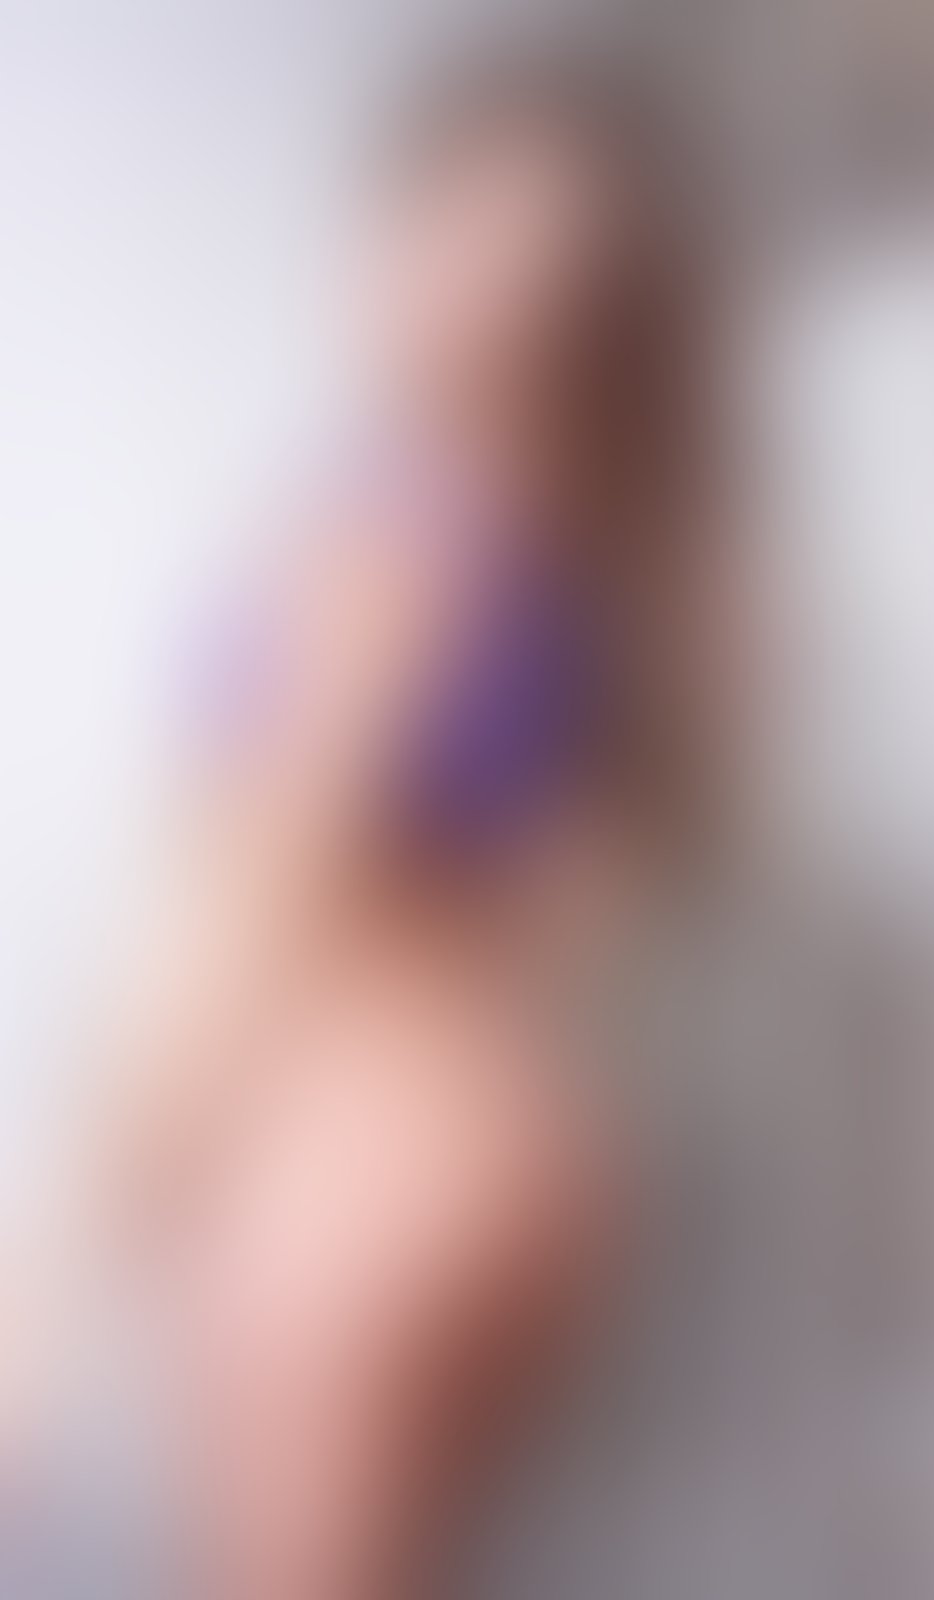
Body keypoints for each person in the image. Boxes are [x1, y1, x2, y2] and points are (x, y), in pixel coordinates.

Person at [6, 51, 706, 1600]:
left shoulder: (394, 543)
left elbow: (253, 893)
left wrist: (47, 1268)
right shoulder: (580, 561)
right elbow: (566, 903)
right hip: (510, 1151)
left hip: (354, 1171)